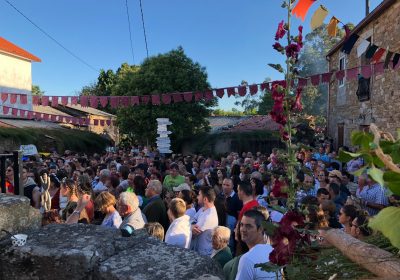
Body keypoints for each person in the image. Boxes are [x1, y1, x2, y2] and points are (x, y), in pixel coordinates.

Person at [235, 209, 275, 280]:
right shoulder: (273, 252)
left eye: (248, 226)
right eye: (241, 225)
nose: (243, 229)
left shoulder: (247, 259)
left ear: (260, 229)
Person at [191, 186, 219, 256]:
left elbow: (193, 233)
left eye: (199, 195)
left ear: (205, 199)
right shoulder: (203, 209)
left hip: (204, 254)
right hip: (198, 251)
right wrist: (192, 225)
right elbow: (192, 219)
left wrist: (190, 227)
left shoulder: (209, 216)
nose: (197, 197)